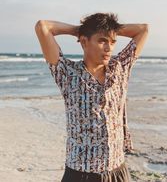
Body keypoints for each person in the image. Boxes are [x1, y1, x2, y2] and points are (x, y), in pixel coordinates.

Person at [35, 12, 149, 182]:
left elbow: (143, 29)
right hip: (80, 173)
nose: (109, 48)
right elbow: (43, 27)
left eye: (112, 42)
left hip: (117, 170)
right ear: (84, 42)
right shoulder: (67, 74)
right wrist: (79, 30)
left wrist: (110, 29)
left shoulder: (120, 68)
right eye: (102, 40)